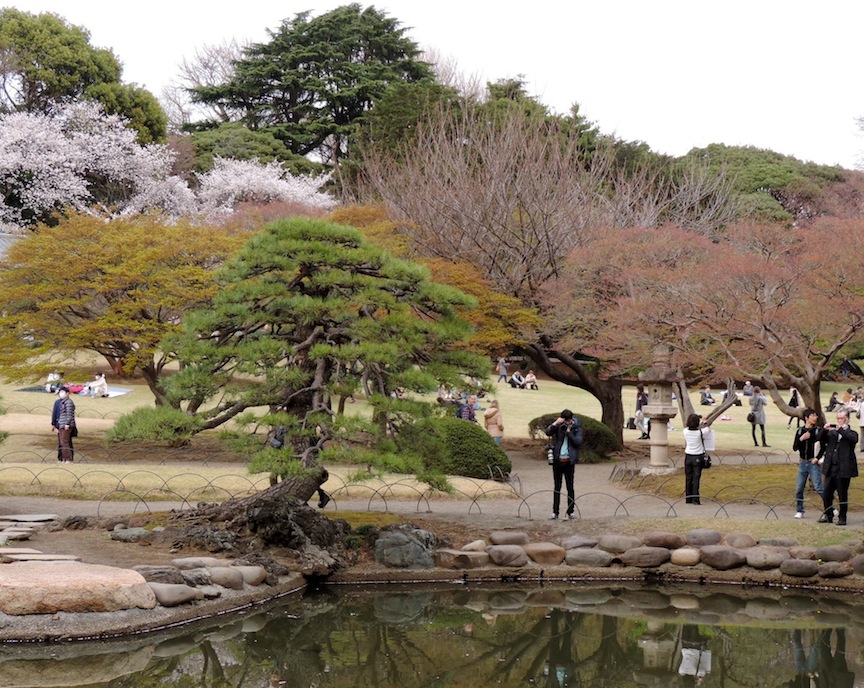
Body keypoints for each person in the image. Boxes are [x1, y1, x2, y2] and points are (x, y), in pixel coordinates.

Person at [818, 409, 858, 525]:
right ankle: (828, 515)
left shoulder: (852, 433)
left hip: (843, 468)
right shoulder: (832, 433)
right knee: (827, 493)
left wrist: (840, 429)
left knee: (842, 494)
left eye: (842, 418)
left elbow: (852, 439)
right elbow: (820, 438)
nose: (839, 421)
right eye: (838, 418)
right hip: (831, 467)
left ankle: (842, 517)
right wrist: (824, 430)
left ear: (847, 419)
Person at [544, 409, 583, 520]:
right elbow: (548, 432)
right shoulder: (559, 426)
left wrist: (569, 433)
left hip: (569, 461)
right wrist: (556, 423)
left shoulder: (576, 428)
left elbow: (578, 442)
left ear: (571, 419)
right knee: (557, 487)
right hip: (558, 460)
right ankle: (555, 512)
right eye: (565, 421)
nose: (567, 423)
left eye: (568, 421)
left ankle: (571, 511)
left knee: (570, 487)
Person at [792, 408, 824, 519]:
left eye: (816, 416)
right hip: (802, 463)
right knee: (799, 488)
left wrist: (817, 458)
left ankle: (830, 507)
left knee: (818, 487)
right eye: (813, 416)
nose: (815, 418)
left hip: (813, 462)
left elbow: (823, 447)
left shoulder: (818, 431)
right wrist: (801, 438)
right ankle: (799, 510)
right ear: (806, 418)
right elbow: (795, 447)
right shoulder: (800, 431)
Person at [683, 413, 710, 505]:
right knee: (696, 478)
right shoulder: (700, 432)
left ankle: (688, 498)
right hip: (697, 456)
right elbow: (707, 428)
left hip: (688, 456)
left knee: (688, 478)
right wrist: (704, 420)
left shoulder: (685, 431)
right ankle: (695, 499)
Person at [51, 386, 76, 464]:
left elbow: (69, 414)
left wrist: (67, 423)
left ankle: (68, 459)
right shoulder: (61, 402)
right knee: (62, 442)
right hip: (61, 424)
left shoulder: (68, 402)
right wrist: (55, 424)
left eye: (63, 392)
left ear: (67, 393)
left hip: (65, 425)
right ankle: (63, 458)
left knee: (65, 442)